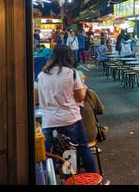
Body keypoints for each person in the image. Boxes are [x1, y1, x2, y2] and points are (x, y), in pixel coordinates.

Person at [35, 45, 96, 173]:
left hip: (48, 122)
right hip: (70, 119)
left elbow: (37, 98)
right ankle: (92, 178)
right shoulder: (71, 73)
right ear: (69, 57)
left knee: (47, 156)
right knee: (83, 149)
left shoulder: (41, 75)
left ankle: (49, 178)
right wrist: (84, 89)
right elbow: (80, 98)